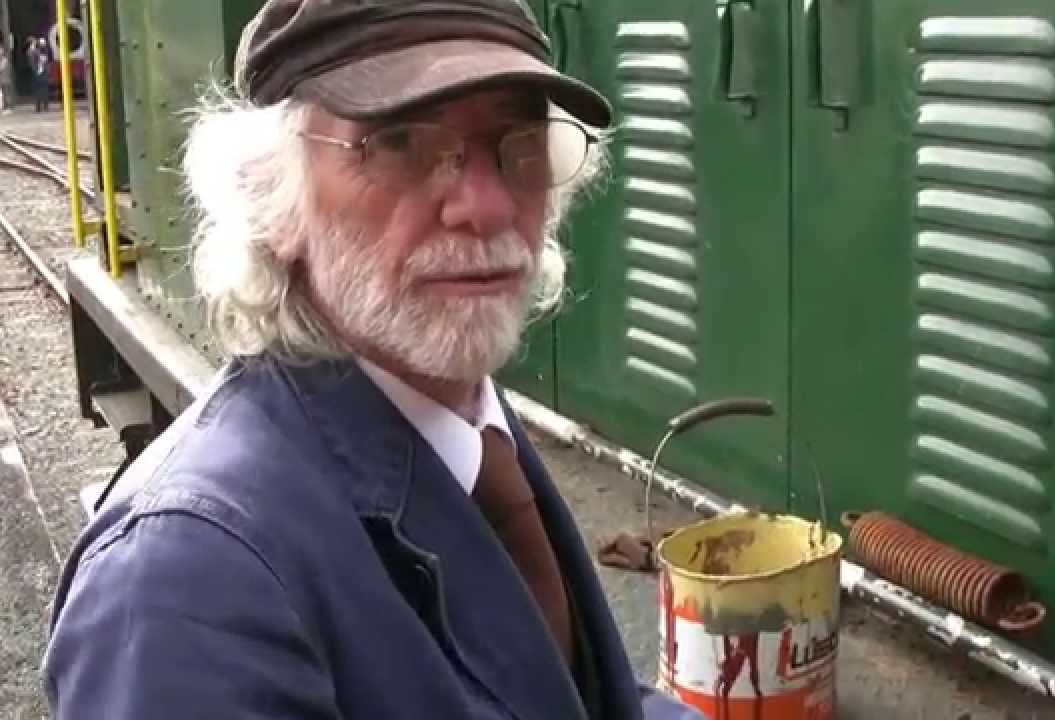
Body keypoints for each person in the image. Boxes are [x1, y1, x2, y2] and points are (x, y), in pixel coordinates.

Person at [41, 1, 704, 718]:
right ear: (274, 196)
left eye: (519, 139)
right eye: (402, 143)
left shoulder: (459, 417)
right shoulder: (186, 583)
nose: (485, 205)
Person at [27, 37, 49, 112]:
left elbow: (43, 58)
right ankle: (40, 106)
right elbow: (34, 63)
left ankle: (41, 106)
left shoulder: (36, 51)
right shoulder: (32, 52)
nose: (36, 43)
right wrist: (38, 70)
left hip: (40, 71)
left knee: (42, 89)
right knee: (40, 89)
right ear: (32, 43)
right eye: (34, 42)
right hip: (38, 72)